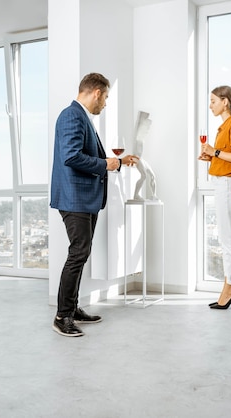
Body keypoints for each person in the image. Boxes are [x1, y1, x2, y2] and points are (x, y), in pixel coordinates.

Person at [50, 72, 137, 337]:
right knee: (78, 254)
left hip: (84, 198)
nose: (106, 103)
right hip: (74, 198)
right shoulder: (71, 115)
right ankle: (62, 315)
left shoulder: (80, 116)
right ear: (96, 92)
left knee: (81, 253)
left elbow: (83, 154)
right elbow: (71, 157)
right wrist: (108, 164)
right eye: (106, 97)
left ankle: (73, 308)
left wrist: (116, 161)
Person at [200, 85, 231, 310]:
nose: (210, 105)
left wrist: (215, 153)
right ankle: (229, 285)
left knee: (229, 238)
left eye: (213, 101)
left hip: (228, 185)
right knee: (225, 237)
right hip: (222, 183)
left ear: (225, 101)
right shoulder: (224, 126)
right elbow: (227, 158)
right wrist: (211, 158)